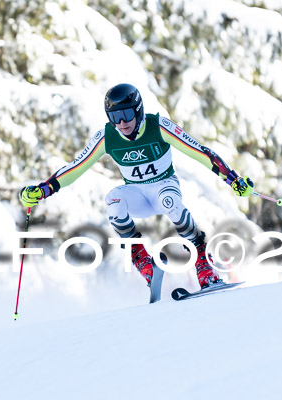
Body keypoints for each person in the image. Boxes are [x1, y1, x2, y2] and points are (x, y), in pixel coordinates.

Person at [20, 83, 253, 289]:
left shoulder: (158, 126)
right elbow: (76, 167)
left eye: (126, 114)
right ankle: (145, 265)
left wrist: (232, 179)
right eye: (115, 117)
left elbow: (201, 153)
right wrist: (43, 190)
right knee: (113, 199)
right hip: (137, 195)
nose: (121, 122)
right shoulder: (107, 136)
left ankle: (204, 266)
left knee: (169, 202)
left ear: (138, 110)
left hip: (164, 187)